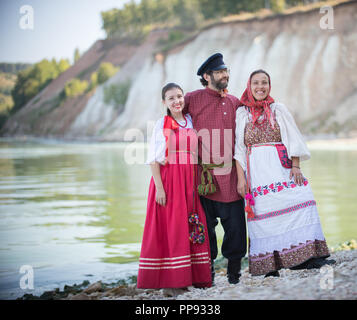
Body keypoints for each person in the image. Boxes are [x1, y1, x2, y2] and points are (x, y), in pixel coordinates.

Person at [234, 69, 334, 277]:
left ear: (269, 86)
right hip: (258, 173)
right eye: (256, 83)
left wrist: (296, 166)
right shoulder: (242, 113)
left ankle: (308, 257)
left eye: (265, 83)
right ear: (249, 86)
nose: (260, 87)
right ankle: (270, 263)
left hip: (282, 167)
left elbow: (293, 138)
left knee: (302, 199)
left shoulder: (278, 109)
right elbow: (239, 149)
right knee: (264, 215)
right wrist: (241, 178)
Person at [137, 83, 212, 291]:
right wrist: (160, 189)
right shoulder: (163, 123)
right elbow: (153, 159)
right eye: (171, 98)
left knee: (191, 225)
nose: (177, 101)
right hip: (169, 181)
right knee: (172, 227)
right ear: (164, 102)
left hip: (189, 181)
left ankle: (192, 276)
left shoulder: (190, 121)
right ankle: (171, 282)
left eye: (179, 96)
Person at [183, 53, 247, 284]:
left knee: (236, 229)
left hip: (230, 177)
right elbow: (174, 122)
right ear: (206, 76)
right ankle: (205, 274)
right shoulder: (192, 98)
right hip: (203, 179)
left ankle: (234, 275)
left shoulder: (234, 102)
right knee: (204, 230)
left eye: (226, 71)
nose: (225, 75)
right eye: (220, 72)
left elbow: (243, 138)